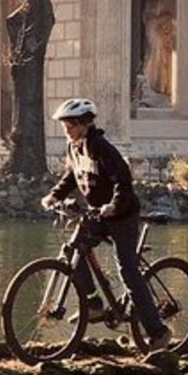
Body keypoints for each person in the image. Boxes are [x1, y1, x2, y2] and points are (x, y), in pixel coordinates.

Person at [41, 97, 172, 349]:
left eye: (69, 125)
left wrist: (114, 205)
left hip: (122, 216)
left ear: (83, 124)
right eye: (64, 125)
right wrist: (54, 195)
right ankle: (94, 305)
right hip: (98, 214)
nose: (65, 130)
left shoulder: (101, 147)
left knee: (128, 271)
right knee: (74, 250)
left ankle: (158, 332)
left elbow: (123, 180)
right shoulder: (74, 147)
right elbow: (72, 175)